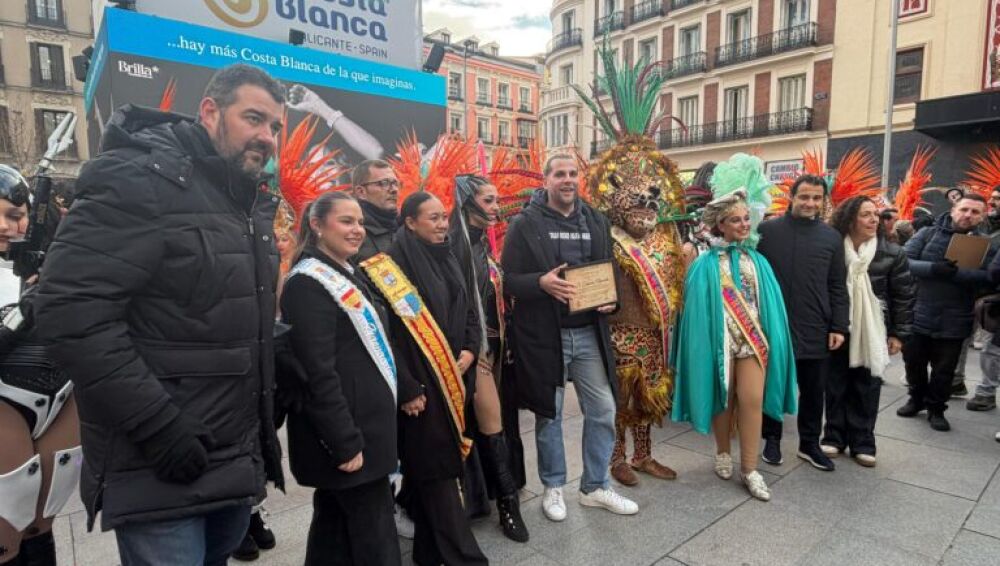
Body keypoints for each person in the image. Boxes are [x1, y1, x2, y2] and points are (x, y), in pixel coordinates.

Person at [35, 64, 285, 564]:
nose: (267, 137)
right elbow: (68, 310)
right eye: (254, 118)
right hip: (159, 466)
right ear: (211, 111)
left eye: (276, 126)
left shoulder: (242, 200)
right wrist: (158, 426)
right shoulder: (138, 178)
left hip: (232, 461)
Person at [502, 154, 639, 522]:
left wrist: (611, 302)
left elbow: (607, 273)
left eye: (572, 174)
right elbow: (507, 278)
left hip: (588, 334)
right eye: (559, 174)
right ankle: (554, 486)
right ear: (545, 180)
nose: (567, 180)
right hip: (546, 336)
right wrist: (540, 283)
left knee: (605, 411)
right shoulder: (524, 224)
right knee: (550, 415)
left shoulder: (595, 220)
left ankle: (595, 486)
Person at [360, 192, 487, 565]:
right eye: (431, 218)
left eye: (442, 217)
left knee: (433, 466)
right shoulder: (387, 267)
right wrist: (407, 387)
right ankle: (463, 556)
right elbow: (385, 335)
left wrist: (470, 347)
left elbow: (467, 307)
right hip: (418, 384)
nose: (441, 224)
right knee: (437, 467)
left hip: (453, 374)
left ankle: (429, 552)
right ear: (410, 222)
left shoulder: (447, 254)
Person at [280, 191, 402, 565]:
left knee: (333, 532)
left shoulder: (343, 273)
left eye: (360, 222)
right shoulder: (308, 283)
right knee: (375, 538)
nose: (357, 230)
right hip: (347, 435)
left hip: (364, 427)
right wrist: (344, 441)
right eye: (346, 221)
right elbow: (317, 371)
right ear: (316, 225)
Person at [671, 189, 797, 501]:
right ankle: (724, 451)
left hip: (752, 341)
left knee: (752, 398)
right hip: (719, 339)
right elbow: (694, 309)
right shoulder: (703, 264)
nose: (744, 225)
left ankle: (751, 468)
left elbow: (771, 304)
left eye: (745, 219)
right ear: (720, 226)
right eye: (735, 220)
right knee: (723, 396)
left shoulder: (758, 261)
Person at [0, 165, 81, 566]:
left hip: (56, 400)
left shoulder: (50, 262)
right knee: (7, 528)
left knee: (39, 523)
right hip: (5, 409)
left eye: (15, 216)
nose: (6, 226)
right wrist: (18, 318)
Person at [449, 175, 529, 542]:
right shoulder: (456, 244)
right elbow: (460, 305)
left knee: (495, 423)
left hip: (495, 347)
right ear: (467, 202)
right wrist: (474, 347)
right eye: (489, 200)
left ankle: (492, 497)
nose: (497, 207)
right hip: (475, 350)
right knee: (491, 422)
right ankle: (508, 507)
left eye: (497, 200)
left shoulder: (480, 242)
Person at [756, 174, 849, 471]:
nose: (810, 203)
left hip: (816, 327)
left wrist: (839, 325)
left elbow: (837, 284)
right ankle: (771, 439)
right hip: (774, 325)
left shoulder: (831, 237)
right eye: (804, 197)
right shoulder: (766, 232)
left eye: (816, 198)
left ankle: (809, 444)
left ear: (824, 201)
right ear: (792, 197)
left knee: (814, 390)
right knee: (773, 385)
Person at [822, 196, 914, 466]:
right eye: (866, 214)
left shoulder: (892, 253)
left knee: (867, 385)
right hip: (839, 325)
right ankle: (834, 437)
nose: (874, 219)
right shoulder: (834, 248)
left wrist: (898, 334)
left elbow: (904, 296)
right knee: (835, 383)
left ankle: (863, 442)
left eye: (876, 214)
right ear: (850, 219)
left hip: (873, 328)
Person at [900, 194, 996, 431]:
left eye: (975, 212)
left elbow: (990, 277)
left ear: (982, 215)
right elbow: (904, 261)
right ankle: (916, 399)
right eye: (964, 209)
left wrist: (956, 274)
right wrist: (934, 268)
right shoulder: (927, 233)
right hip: (918, 309)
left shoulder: (988, 244)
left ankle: (936, 408)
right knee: (913, 362)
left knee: (944, 369)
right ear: (953, 210)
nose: (968, 215)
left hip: (956, 315)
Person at [352, 159, 399, 262]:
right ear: (361, 192)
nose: (394, 189)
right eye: (384, 183)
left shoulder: (407, 228)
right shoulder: (353, 235)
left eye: (395, 183)